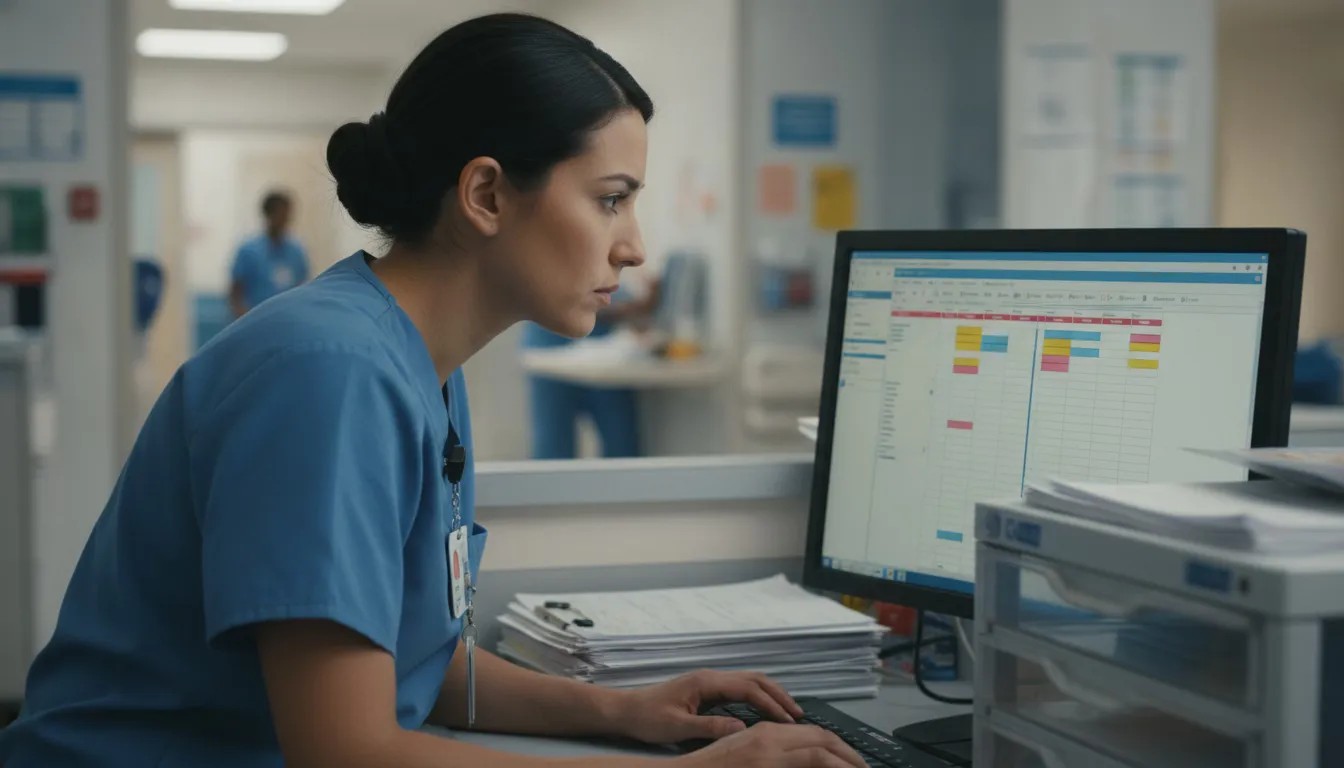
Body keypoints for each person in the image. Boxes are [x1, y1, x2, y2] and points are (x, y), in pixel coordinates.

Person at [0, 14, 864, 768]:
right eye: (610, 201)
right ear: (486, 193)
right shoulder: (328, 372)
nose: (634, 246)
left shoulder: (417, 368)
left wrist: (624, 710)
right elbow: (348, 749)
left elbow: (413, 658)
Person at [523, 276, 660, 459]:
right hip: (552, 351)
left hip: (602, 355)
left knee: (620, 445)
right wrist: (637, 306)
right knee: (554, 450)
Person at [228, 190, 310, 318]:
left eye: (287, 215)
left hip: (288, 320)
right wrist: (243, 319)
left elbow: (302, 284)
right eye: (280, 214)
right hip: (255, 320)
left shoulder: (296, 251)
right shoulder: (249, 251)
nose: (285, 220)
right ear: (268, 214)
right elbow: (235, 292)